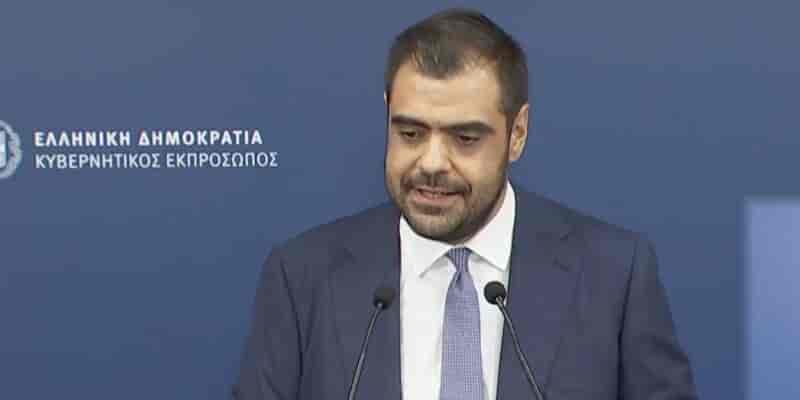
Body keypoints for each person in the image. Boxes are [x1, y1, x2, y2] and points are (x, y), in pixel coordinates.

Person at [234, 8, 698, 400]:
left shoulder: (614, 276)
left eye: (465, 138)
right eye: (410, 133)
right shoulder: (302, 277)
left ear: (517, 134)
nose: (432, 163)